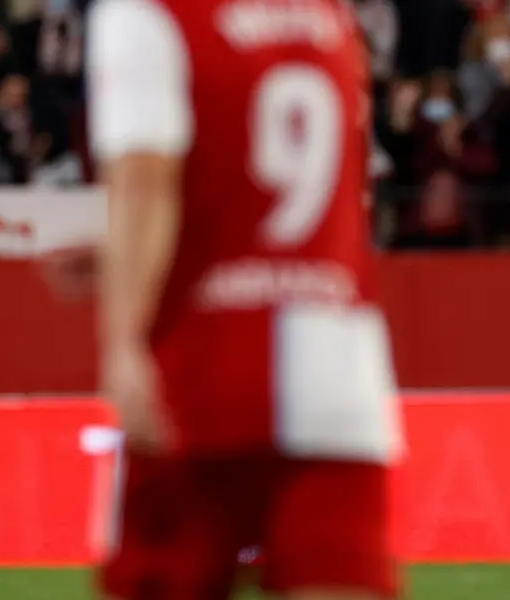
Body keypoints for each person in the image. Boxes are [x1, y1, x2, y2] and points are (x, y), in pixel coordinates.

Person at [85, 1, 401, 599]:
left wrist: (122, 342)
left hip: (207, 362)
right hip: (338, 366)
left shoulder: (151, 11)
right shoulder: (326, 14)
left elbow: (146, 179)